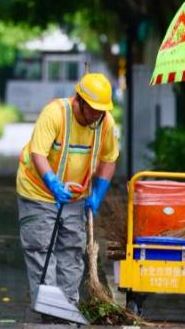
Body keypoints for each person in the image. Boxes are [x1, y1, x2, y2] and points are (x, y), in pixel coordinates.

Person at [15, 72, 118, 307]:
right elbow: (38, 153)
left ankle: (68, 304)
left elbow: (109, 159)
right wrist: (52, 183)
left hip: (75, 196)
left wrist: (98, 193)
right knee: (41, 247)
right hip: (37, 191)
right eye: (92, 109)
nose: (96, 115)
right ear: (79, 100)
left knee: (71, 249)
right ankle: (50, 305)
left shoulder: (105, 123)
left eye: (101, 110)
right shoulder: (55, 114)